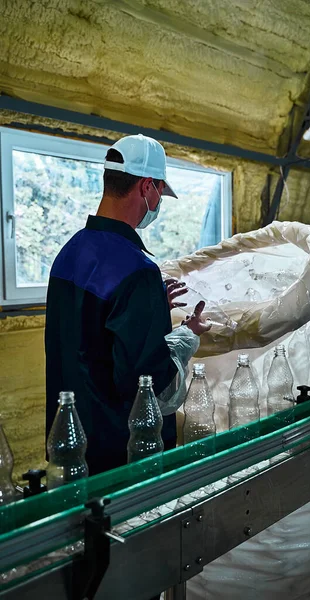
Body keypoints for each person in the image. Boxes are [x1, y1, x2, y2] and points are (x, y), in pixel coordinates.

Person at [45, 133, 211, 476]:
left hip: (72, 447)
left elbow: (87, 336)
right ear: (147, 187)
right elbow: (153, 390)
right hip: (123, 459)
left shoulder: (69, 253)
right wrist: (186, 336)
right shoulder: (137, 270)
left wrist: (149, 309)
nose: (159, 202)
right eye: (161, 192)